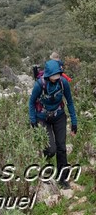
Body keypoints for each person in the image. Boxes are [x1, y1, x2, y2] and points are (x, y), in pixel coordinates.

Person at [29, 53, 78, 189]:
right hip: (43, 118)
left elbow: (70, 102)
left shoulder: (63, 83)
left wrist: (74, 122)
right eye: (54, 75)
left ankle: (63, 178)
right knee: (51, 149)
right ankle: (47, 170)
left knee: (61, 148)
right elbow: (31, 102)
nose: (57, 77)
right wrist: (33, 120)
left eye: (58, 74)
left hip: (59, 116)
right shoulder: (40, 84)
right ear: (48, 74)